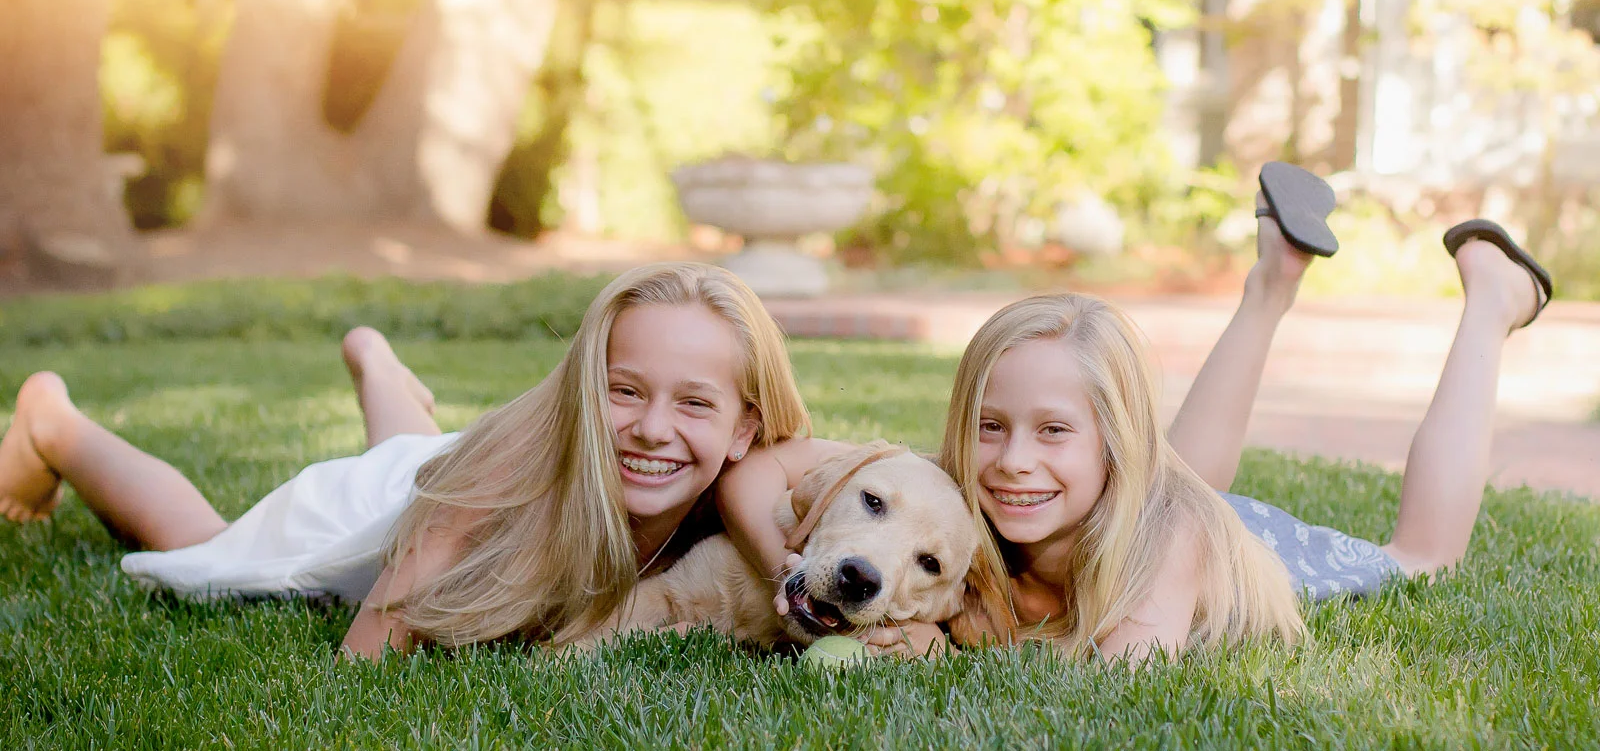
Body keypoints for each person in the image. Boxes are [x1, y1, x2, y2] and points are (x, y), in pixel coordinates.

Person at [0, 262, 810, 659]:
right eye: (623, 390)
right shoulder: (507, 472)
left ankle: (379, 367)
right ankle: (54, 423)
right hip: (401, 510)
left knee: (413, 455)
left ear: (747, 427)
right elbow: (369, 651)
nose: (652, 429)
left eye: (695, 404)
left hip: (445, 466)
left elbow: (887, 502)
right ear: (580, 390)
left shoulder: (761, 471)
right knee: (207, 544)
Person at [938, 215, 1550, 658]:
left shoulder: (1173, 537)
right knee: (1180, 478)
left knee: (1421, 558)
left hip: (1249, 551)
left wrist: (960, 645)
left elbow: (1121, 679)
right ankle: (1275, 272)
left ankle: (1496, 296)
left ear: (1116, 443)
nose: (1014, 460)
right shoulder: (944, 500)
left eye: (1052, 430)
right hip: (1153, 500)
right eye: (990, 426)